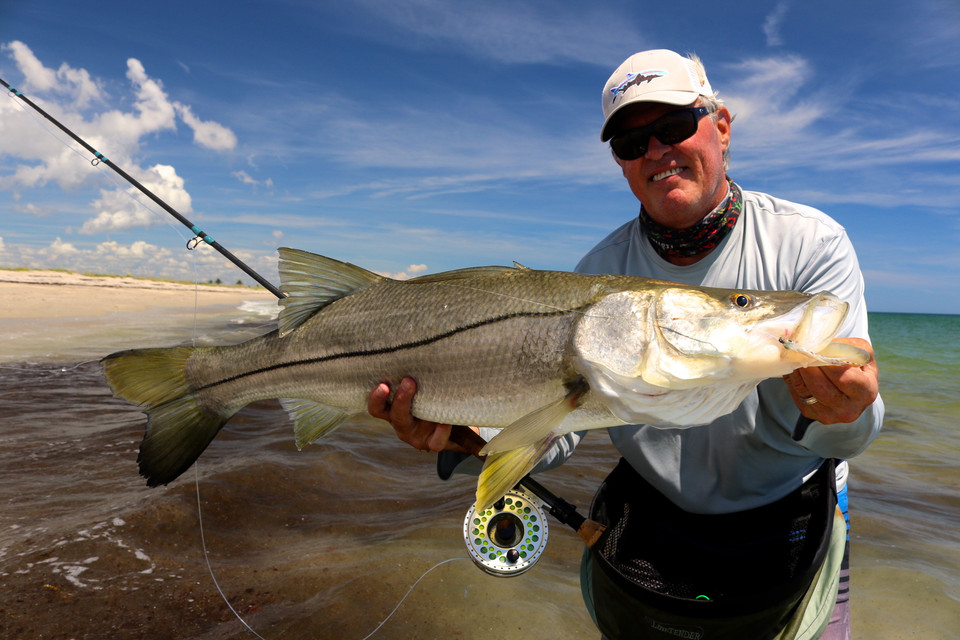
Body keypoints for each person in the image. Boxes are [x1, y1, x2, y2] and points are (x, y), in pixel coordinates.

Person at [368, 49, 882, 640]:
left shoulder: (810, 247)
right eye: (631, 143)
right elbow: (562, 427)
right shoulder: (598, 274)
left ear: (720, 126)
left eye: (672, 127)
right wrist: (472, 439)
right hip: (650, 527)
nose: (657, 152)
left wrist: (844, 411)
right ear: (620, 163)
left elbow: (856, 435)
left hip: (791, 522)